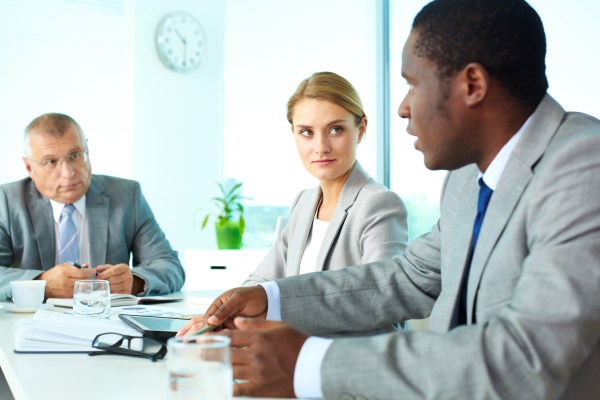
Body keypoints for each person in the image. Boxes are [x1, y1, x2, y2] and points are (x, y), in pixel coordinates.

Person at [178, 0, 600, 398]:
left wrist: (309, 362)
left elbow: (523, 360)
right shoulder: (467, 178)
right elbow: (408, 278)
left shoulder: (583, 166)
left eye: (413, 84)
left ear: (472, 84)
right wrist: (271, 298)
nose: (402, 108)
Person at [243, 71, 408, 286]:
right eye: (306, 132)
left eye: (335, 130)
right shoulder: (304, 202)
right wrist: (223, 313)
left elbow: (383, 300)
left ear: (361, 129)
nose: (321, 147)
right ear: (293, 133)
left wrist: (287, 320)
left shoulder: (378, 204)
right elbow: (260, 282)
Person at [0, 113, 184, 300]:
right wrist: (41, 283)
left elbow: (170, 266)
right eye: (51, 162)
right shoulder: (7, 201)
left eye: (75, 155)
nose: (68, 173)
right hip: (28, 323)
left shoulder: (127, 195)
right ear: (29, 168)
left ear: (87, 150)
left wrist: (134, 282)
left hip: (107, 321)